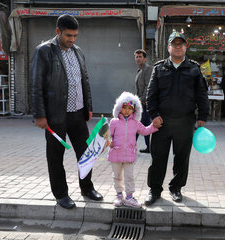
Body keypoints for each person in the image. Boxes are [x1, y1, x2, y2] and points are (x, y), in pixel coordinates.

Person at [30, 14, 102, 209]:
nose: (72, 39)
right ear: (58, 31)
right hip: (55, 115)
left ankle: (87, 188)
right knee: (55, 156)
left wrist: (89, 107)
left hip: (78, 113)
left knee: (86, 154)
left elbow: (84, 81)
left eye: (75, 36)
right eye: (68, 35)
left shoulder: (78, 51)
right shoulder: (44, 51)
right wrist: (39, 114)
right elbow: (36, 85)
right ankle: (61, 194)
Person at [144, 32, 209, 206]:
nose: (178, 47)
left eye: (181, 44)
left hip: (185, 121)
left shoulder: (194, 69)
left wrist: (202, 116)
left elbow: (202, 94)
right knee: (158, 157)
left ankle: (176, 188)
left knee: (181, 158)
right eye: (174, 44)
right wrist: (154, 115)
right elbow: (150, 95)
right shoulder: (159, 68)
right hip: (162, 122)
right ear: (169, 48)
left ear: (185, 47)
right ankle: (154, 190)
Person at [108, 91, 158, 208]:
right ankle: (119, 195)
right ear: (119, 108)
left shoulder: (136, 123)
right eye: (124, 107)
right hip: (116, 154)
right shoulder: (114, 122)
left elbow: (145, 131)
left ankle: (129, 197)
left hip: (130, 155)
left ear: (134, 110)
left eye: (130, 108)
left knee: (129, 176)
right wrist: (109, 141)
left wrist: (153, 126)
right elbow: (109, 135)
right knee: (117, 176)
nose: (126, 110)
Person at [134, 49, 154, 153]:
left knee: (137, 125)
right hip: (140, 103)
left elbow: (148, 86)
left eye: (140, 56)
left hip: (145, 103)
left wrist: (142, 99)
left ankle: (131, 147)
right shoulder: (139, 70)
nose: (138, 58)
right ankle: (149, 147)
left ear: (145, 58)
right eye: (136, 57)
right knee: (144, 125)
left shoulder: (148, 69)